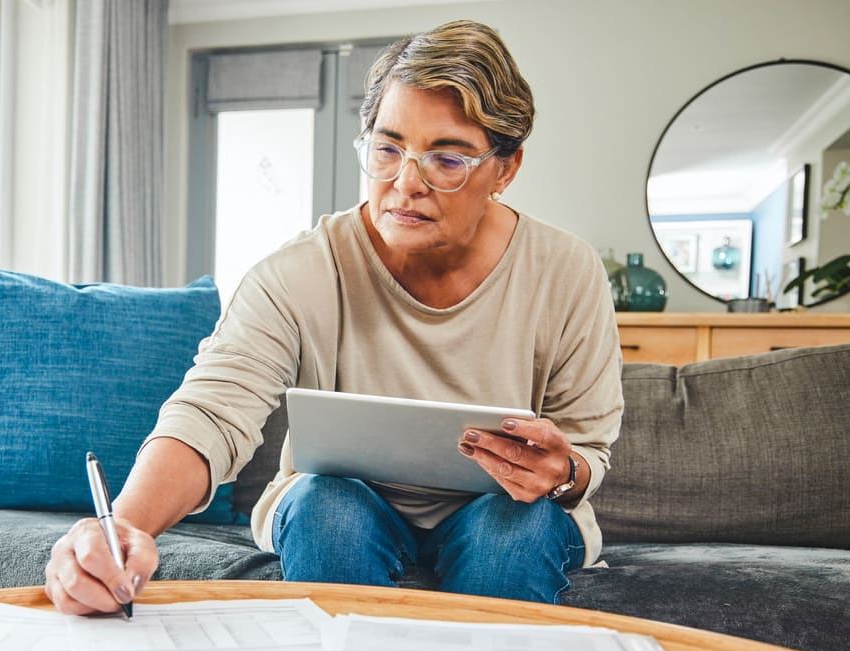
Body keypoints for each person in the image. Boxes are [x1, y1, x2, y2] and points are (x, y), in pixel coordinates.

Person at [45, 19, 623, 616]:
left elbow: (586, 452)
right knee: (326, 507)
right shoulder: (301, 271)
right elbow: (212, 413)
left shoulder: (565, 271)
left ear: (505, 169)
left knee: (515, 526)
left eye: (446, 159)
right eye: (387, 149)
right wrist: (124, 530)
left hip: (502, 509)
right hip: (341, 505)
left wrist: (563, 473)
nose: (406, 184)